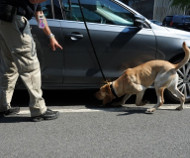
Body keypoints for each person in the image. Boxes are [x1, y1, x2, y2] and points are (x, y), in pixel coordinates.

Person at [0, 0, 63, 121]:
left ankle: (2, 105)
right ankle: (38, 109)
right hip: (13, 19)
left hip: (5, 20)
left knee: (9, 67)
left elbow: (39, 16)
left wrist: (50, 36)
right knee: (30, 67)